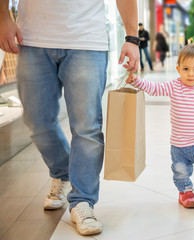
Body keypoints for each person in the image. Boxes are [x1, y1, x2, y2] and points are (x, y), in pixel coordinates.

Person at [0, 0, 140, 236]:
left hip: (86, 40)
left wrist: (132, 37)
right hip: (31, 39)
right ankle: (62, 172)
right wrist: (4, 17)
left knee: (87, 127)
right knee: (37, 122)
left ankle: (83, 201)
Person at [126, 43, 194, 212]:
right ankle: (186, 194)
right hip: (179, 144)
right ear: (178, 69)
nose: (190, 74)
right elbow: (155, 89)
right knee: (181, 171)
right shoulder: (174, 86)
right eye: (186, 69)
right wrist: (137, 81)